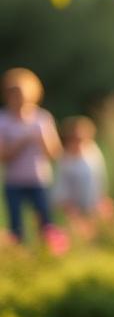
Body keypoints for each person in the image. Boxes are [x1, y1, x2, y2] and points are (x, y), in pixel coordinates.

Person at [0, 68, 60, 243]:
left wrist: (42, 140)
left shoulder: (42, 118)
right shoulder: (2, 119)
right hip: (14, 181)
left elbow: (55, 153)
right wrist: (23, 141)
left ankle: (47, 256)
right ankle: (20, 262)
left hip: (39, 179)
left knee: (46, 224)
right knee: (16, 226)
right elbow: (3, 156)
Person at [52, 115, 110, 228]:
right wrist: (69, 208)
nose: (79, 142)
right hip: (71, 207)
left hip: (92, 203)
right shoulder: (64, 159)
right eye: (76, 138)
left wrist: (101, 199)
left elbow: (100, 177)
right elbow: (61, 187)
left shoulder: (93, 152)